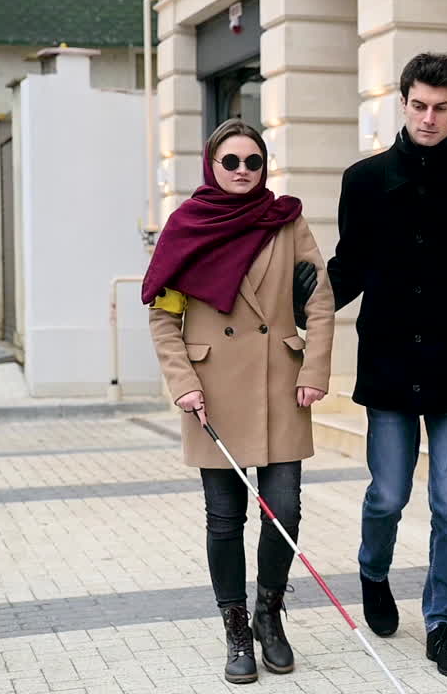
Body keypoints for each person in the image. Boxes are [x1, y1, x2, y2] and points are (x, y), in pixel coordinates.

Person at [324, 51, 447, 678]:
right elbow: (347, 269)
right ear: (401, 102)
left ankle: (441, 622)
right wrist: (295, 302)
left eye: (441, 107)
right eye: (419, 105)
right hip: (389, 364)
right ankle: (373, 572)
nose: (429, 117)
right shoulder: (365, 180)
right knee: (386, 495)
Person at [143, 119, 334, 685]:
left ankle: (269, 615)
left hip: (281, 382)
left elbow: (319, 300)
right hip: (212, 391)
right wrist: (182, 383)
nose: (243, 172)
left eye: (253, 162)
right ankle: (235, 630)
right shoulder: (186, 227)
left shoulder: (287, 220)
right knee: (224, 519)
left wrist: (316, 369)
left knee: (286, 510)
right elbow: (164, 317)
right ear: (212, 164)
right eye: (232, 162)